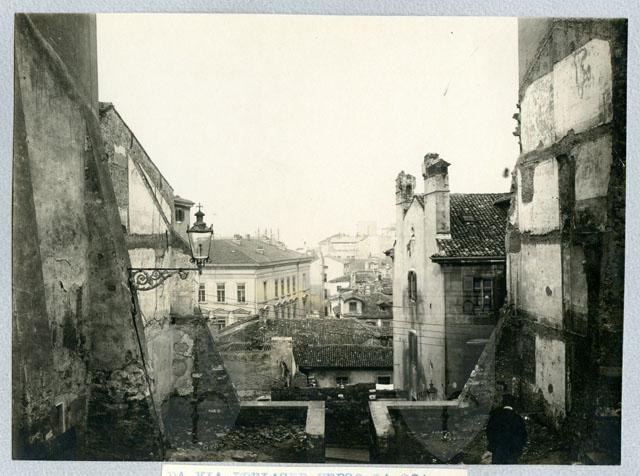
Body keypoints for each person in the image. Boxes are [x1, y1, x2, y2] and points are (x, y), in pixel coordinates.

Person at [486, 394, 528, 464]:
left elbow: (489, 432)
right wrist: (519, 448)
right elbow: (523, 435)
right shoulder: (517, 418)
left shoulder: (495, 416)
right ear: (513, 404)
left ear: (503, 403)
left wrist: (492, 445)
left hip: (498, 449)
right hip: (512, 450)